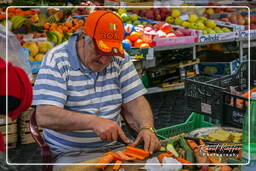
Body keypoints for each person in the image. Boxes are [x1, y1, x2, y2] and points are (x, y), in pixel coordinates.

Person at [33, 10, 160, 165]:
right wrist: (93, 122)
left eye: (110, 53)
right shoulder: (57, 59)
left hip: (113, 149)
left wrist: (147, 128)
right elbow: (44, 115)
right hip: (70, 153)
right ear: (84, 37)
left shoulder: (120, 59)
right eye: (100, 51)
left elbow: (136, 101)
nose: (104, 60)